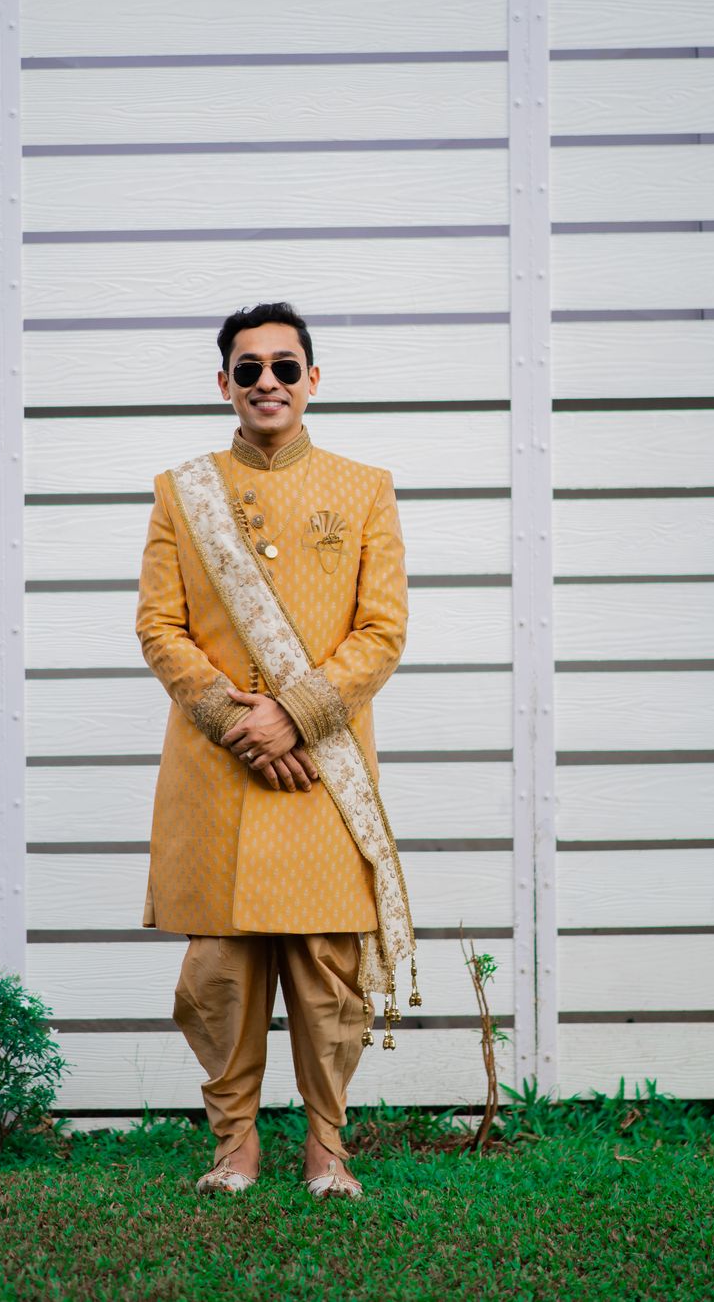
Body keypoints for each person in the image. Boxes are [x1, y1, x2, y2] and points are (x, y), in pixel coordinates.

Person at [135, 301, 418, 1200]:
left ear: (312, 381)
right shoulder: (183, 490)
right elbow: (159, 627)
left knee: (328, 970)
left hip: (321, 769)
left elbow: (382, 631)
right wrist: (236, 719)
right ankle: (235, 1146)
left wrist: (294, 714)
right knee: (218, 973)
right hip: (218, 767)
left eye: (284, 367)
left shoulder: (365, 485)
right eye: (248, 369)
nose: (267, 382)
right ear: (223, 384)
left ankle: (326, 1150)